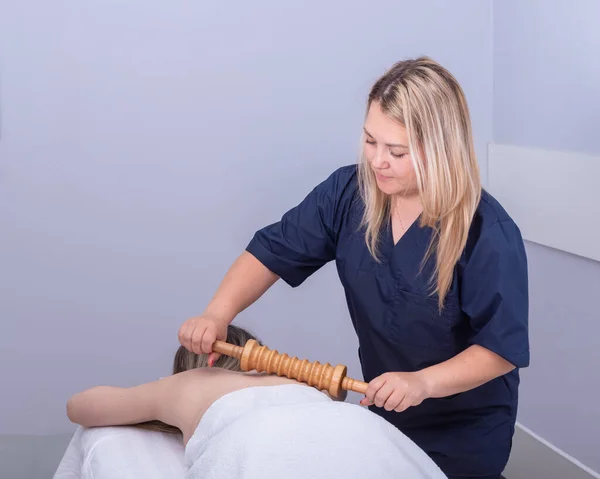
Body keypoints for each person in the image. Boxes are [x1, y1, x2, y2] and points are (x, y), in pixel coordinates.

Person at [177, 56, 529, 479]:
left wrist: (423, 383)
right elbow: (271, 251)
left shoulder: (487, 232)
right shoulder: (349, 194)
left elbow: (500, 349)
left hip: (465, 427)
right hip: (382, 407)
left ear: (440, 148)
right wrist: (218, 314)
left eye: (396, 151)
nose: (378, 161)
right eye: (370, 141)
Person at [66, 324, 448, 479]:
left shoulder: (188, 385)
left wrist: (156, 392)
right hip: (364, 431)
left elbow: (80, 407)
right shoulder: (294, 380)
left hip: (264, 441)